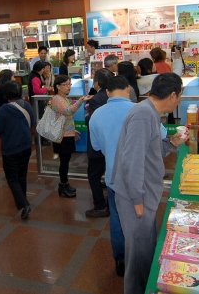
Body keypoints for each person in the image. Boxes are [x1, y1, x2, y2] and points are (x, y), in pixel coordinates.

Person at [111, 73, 187, 294]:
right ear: (172, 95)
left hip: (143, 194)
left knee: (146, 250)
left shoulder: (150, 112)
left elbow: (148, 152)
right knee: (138, 258)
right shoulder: (144, 115)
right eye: (180, 95)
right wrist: (137, 200)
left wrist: (170, 143)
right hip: (136, 196)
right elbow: (131, 161)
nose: (180, 100)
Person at [89, 75, 134, 277]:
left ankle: (121, 260)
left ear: (107, 92)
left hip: (114, 178)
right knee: (143, 218)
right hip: (139, 177)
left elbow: (97, 147)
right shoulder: (139, 110)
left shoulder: (96, 115)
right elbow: (159, 136)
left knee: (117, 219)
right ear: (128, 89)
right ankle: (141, 260)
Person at [0, 81, 35, 219]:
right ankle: (23, 201)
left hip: (10, 148)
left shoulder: (4, 109)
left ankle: (24, 204)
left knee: (12, 178)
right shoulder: (26, 105)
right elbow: (33, 123)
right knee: (22, 175)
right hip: (26, 145)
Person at [50, 75, 90, 198]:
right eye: (65, 84)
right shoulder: (56, 99)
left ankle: (65, 183)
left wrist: (73, 130)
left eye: (69, 84)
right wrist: (81, 100)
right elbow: (68, 111)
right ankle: (62, 185)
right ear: (58, 86)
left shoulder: (64, 98)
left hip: (67, 134)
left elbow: (66, 118)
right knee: (63, 162)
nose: (68, 87)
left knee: (66, 161)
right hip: (61, 136)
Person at [85, 68, 113, 218]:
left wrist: (87, 117)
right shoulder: (115, 96)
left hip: (98, 146)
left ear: (96, 83)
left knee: (93, 175)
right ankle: (111, 201)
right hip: (112, 143)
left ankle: (100, 206)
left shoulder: (96, 99)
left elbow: (96, 122)